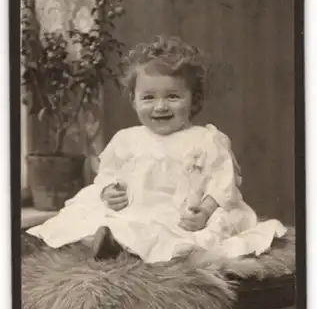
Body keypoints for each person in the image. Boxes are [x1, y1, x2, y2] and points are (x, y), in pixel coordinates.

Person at [27, 35, 286, 264]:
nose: (160, 107)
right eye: (148, 98)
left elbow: (223, 184)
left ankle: (121, 245)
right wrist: (109, 190)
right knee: (93, 215)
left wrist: (205, 211)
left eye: (172, 97)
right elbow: (107, 172)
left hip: (178, 214)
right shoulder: (126, 139)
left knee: (167, 234)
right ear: (134, 100)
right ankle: (100, 241)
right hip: (135, 207)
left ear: (193, 100)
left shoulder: (206, 139)